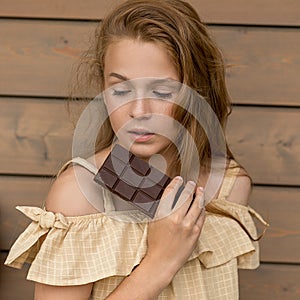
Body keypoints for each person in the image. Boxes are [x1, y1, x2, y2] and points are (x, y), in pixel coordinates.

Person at [4, 0, 268, 299]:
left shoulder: (230, 188)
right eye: (120, 90)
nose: (138, 111)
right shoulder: (80, 196)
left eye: (161, 91)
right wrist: (159, 264)